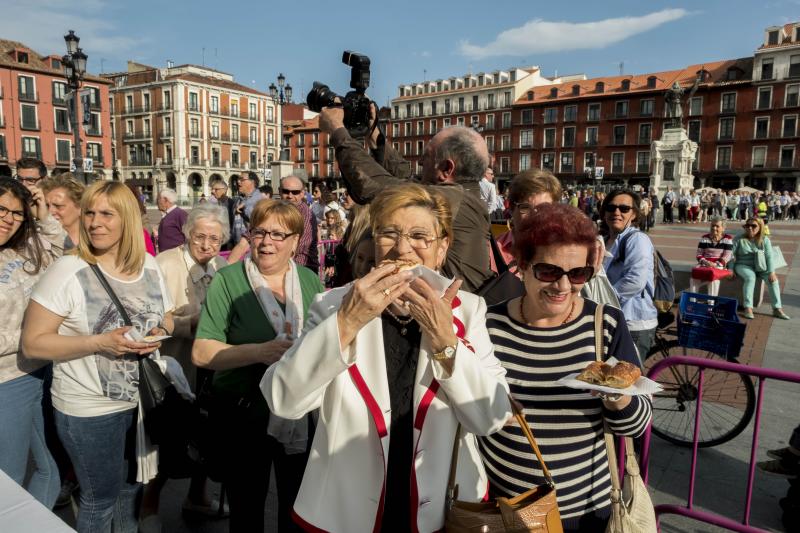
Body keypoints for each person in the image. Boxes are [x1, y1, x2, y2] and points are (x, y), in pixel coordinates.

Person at [261, 185, 512, 532]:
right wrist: (347, 322)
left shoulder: (467, 311)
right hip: (346, 511)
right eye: (389, 233)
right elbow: (284, 400)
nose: (402, 248)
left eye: (419, 236)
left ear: (442, 248)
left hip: (440, 510)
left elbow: (491, 417)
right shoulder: (333, 305)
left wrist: (446, 341)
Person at [478, 203, 652, 532]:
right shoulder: (487, 324)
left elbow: (638, 424)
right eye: (548, 271)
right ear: (523, 265)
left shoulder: (605, 323)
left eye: (577, 274)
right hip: (507, 508)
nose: (562, 286)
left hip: (587, 511)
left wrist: (617, 397)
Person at [22, 181, 175, 533]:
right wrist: (99, 343)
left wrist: (157, 331)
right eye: (90, 213)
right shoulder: (67, 270)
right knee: (100, 499)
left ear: (128, 219)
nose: (94, 222)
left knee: (131, 491)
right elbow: (33, 344)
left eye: (107, 213)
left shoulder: (149, 265)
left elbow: (166, 316)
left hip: (140, 402)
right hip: (89, 408)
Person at [192, 199, 324, 532]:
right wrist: (260, 352)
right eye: (259, 232)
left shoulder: (310, 281)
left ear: (296, 241)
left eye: (278, 234)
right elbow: (202, 352)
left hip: (298, 413)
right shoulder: (228, 280)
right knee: (247, 510)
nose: (266, 242)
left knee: (297, 508)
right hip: (243, 414)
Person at [320, 106, 493, 293]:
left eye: (426, 156)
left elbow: (377, 187)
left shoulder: (453, 199)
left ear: (446, 169)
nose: (420, 162)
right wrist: (374, 134)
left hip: (453, 309)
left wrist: (337, 130)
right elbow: (406, 178)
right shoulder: (465, 197)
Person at [138, 204, 230, 530]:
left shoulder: (221, 267)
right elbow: (149, 319)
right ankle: (148, 507)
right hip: (173, 367)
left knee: (206, 434)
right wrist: (189, 323)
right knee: (169, 440)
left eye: (215, 239)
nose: (206, 245)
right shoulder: (164, 264)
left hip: (209, 368)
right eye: (200, 236)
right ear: (188, 233)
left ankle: (197, 497)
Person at [0, 177, 63, 508]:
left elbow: (64, 253)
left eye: (16, 213)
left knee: (50, 470)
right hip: (8, 380)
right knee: (8, 481)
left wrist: (43, 215)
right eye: (1, 209)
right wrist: (33, 337)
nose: (8, 219)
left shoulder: (24, 246)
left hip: (43, 370)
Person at [602, 190, 657, 362]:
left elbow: (635, 280)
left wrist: (603, 300)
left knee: (627, 376)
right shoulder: (603, 240)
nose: (616, 212)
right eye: (611, 207)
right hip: (611, 319)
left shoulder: (637, 239)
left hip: (633, 322)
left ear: (633, 214)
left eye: (624, 208)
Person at [728, 217, 790, 320]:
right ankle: (748, 307)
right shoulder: (739, 238)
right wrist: (731, 269)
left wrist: (771, 272)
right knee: (750, 277)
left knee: (773, 281)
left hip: (761, 266)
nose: (750, 228)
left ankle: (777, 308)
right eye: (747, 225)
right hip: (743, 265)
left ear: (760, 227)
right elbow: (731, 255)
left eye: (753, 226)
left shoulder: (765, 240)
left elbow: (769, 257)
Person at [280, 175, 319, 274]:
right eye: (285, 191)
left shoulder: (306, 214)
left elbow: (300, 245)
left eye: (295, 192)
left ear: (302, 193)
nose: (290, 196)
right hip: (281, 264)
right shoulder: (276, 210)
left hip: (304, 267)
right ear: (280, 191)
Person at [689, 217, 734, 295]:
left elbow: (727, 256)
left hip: (719, 265)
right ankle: (692, 300)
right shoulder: (704, 238)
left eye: (717, 226)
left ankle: (711, 301)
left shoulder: (727, 239)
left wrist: (715, 264)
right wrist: (706, 262)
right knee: (694, 278)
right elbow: (699, 254)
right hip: (704, 264)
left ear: (723, 228)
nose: (714, 228)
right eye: (712, 226)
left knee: (713, 279)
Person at [41, 173, 85, 249]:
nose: (50, 212)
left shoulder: (96, 241)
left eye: (58, 206)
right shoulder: (37, 241)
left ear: (80, 207)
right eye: (47, 206)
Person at [156, 188, 188, 252]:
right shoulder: (168, 214)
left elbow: (190, 235)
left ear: (165, 200)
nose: (157, 202)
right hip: (166, 255)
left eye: (158, 199)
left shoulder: (180, 214)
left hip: (176, 255)